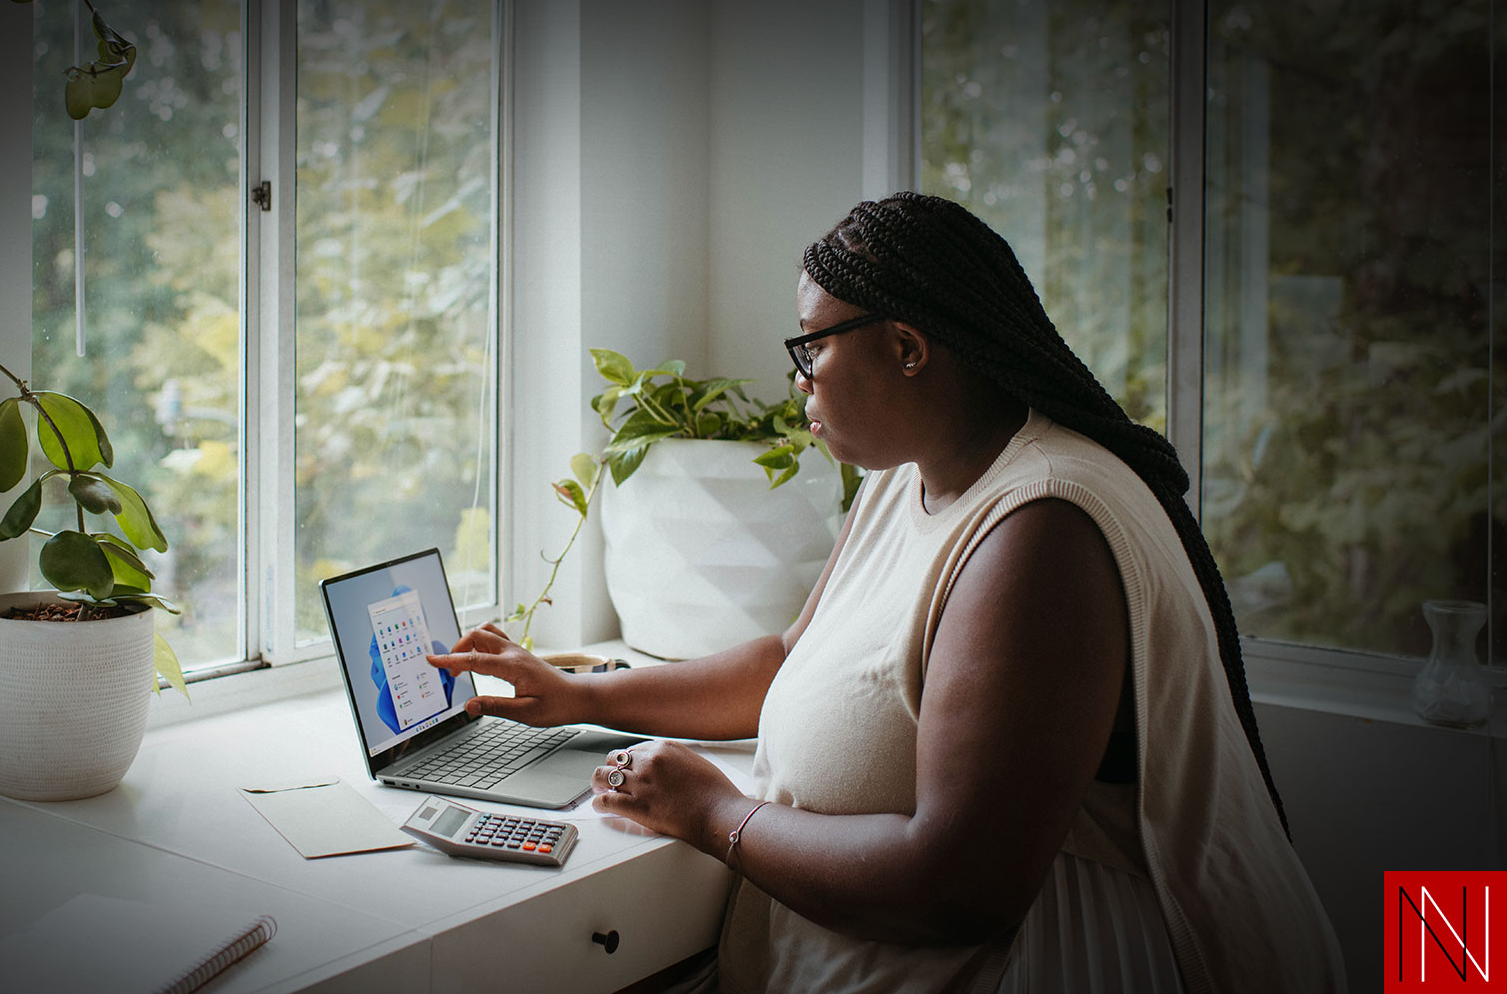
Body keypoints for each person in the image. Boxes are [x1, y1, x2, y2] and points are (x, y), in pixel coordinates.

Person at [429, 192, 1345, 993]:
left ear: (907, 347)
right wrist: (581, 694)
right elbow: (792, 658)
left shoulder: (1042, 531)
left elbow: (956, 887)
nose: (799, 382)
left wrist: (715, 813)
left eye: (810, 347)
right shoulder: (906, 478)